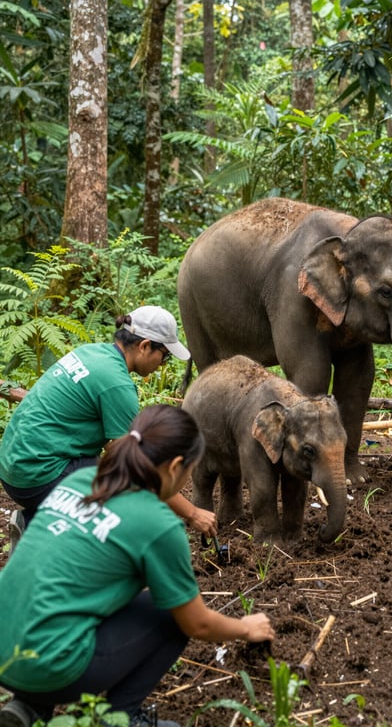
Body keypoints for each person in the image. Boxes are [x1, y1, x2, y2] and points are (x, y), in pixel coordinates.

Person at [0, 405, 275, 727]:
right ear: (175, 467)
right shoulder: (157, 524)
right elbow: (197, 625)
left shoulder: (83, 480)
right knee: (170, 615)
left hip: (5, 647)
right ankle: (121, 718)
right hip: (51, 666)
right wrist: (246, 627)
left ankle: (29, 706)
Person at [0, 305, 217, 553]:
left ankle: (36, 521)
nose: (163, 364)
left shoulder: (91, 353)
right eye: (165, 355)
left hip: (12, 466)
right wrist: (192, 513)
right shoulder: (117, 385)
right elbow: (135, 468)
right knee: (127, 495)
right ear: (145, 346)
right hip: (37, 476)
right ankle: (45, 533)